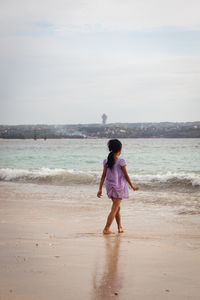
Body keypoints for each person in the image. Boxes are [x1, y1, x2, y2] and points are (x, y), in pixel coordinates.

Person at [97, 139, 139, 234]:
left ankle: (119, 227)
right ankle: (106, 229)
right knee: (115, 208)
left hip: (109, 187)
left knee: (117, 208)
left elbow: (103, 176)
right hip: (119, 187)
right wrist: (132, 186)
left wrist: (100, 189)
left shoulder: (106, 161)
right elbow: (126, 175)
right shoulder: (121, 161)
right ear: (120, 149)